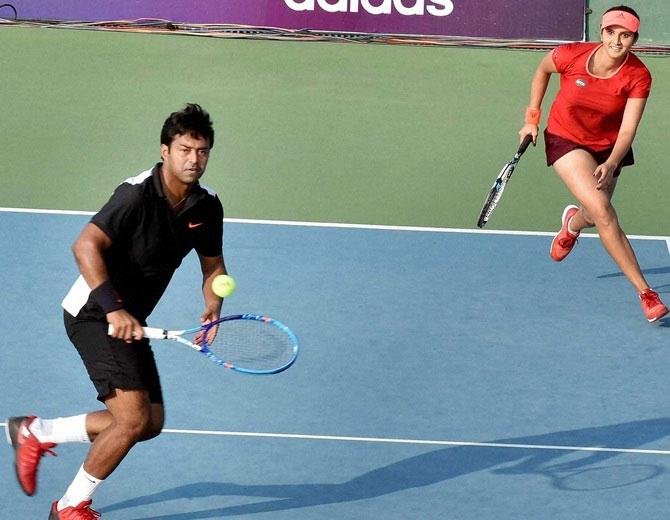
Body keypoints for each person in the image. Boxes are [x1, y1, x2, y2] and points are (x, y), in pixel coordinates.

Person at [6, 103, 228, 518]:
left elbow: (214, 268)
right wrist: (113, 310)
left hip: (129, 321)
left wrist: (213, 302)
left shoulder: (206, 207)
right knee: (130, 419)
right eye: (184, 149)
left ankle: (37, 432)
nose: (193, 159)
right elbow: (84, 245)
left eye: (201, 151)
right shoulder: (135, 194)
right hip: (93, 312)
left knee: (150, 423)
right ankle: (70, 506)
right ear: (165, 150)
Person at [518, 5, 668, 323]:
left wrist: (613, 162)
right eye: (611, 32)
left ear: (634, 39)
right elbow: (542, 70)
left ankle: (572, 223)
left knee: (594, 212)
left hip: (610, 147)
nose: (617, 40)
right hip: (566, 137)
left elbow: (629, 129)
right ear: (601, 32)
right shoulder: (570, 55)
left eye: (625, 35)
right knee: (603, 210)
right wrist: (532, 118)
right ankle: (646, 293)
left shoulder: (638, 75)